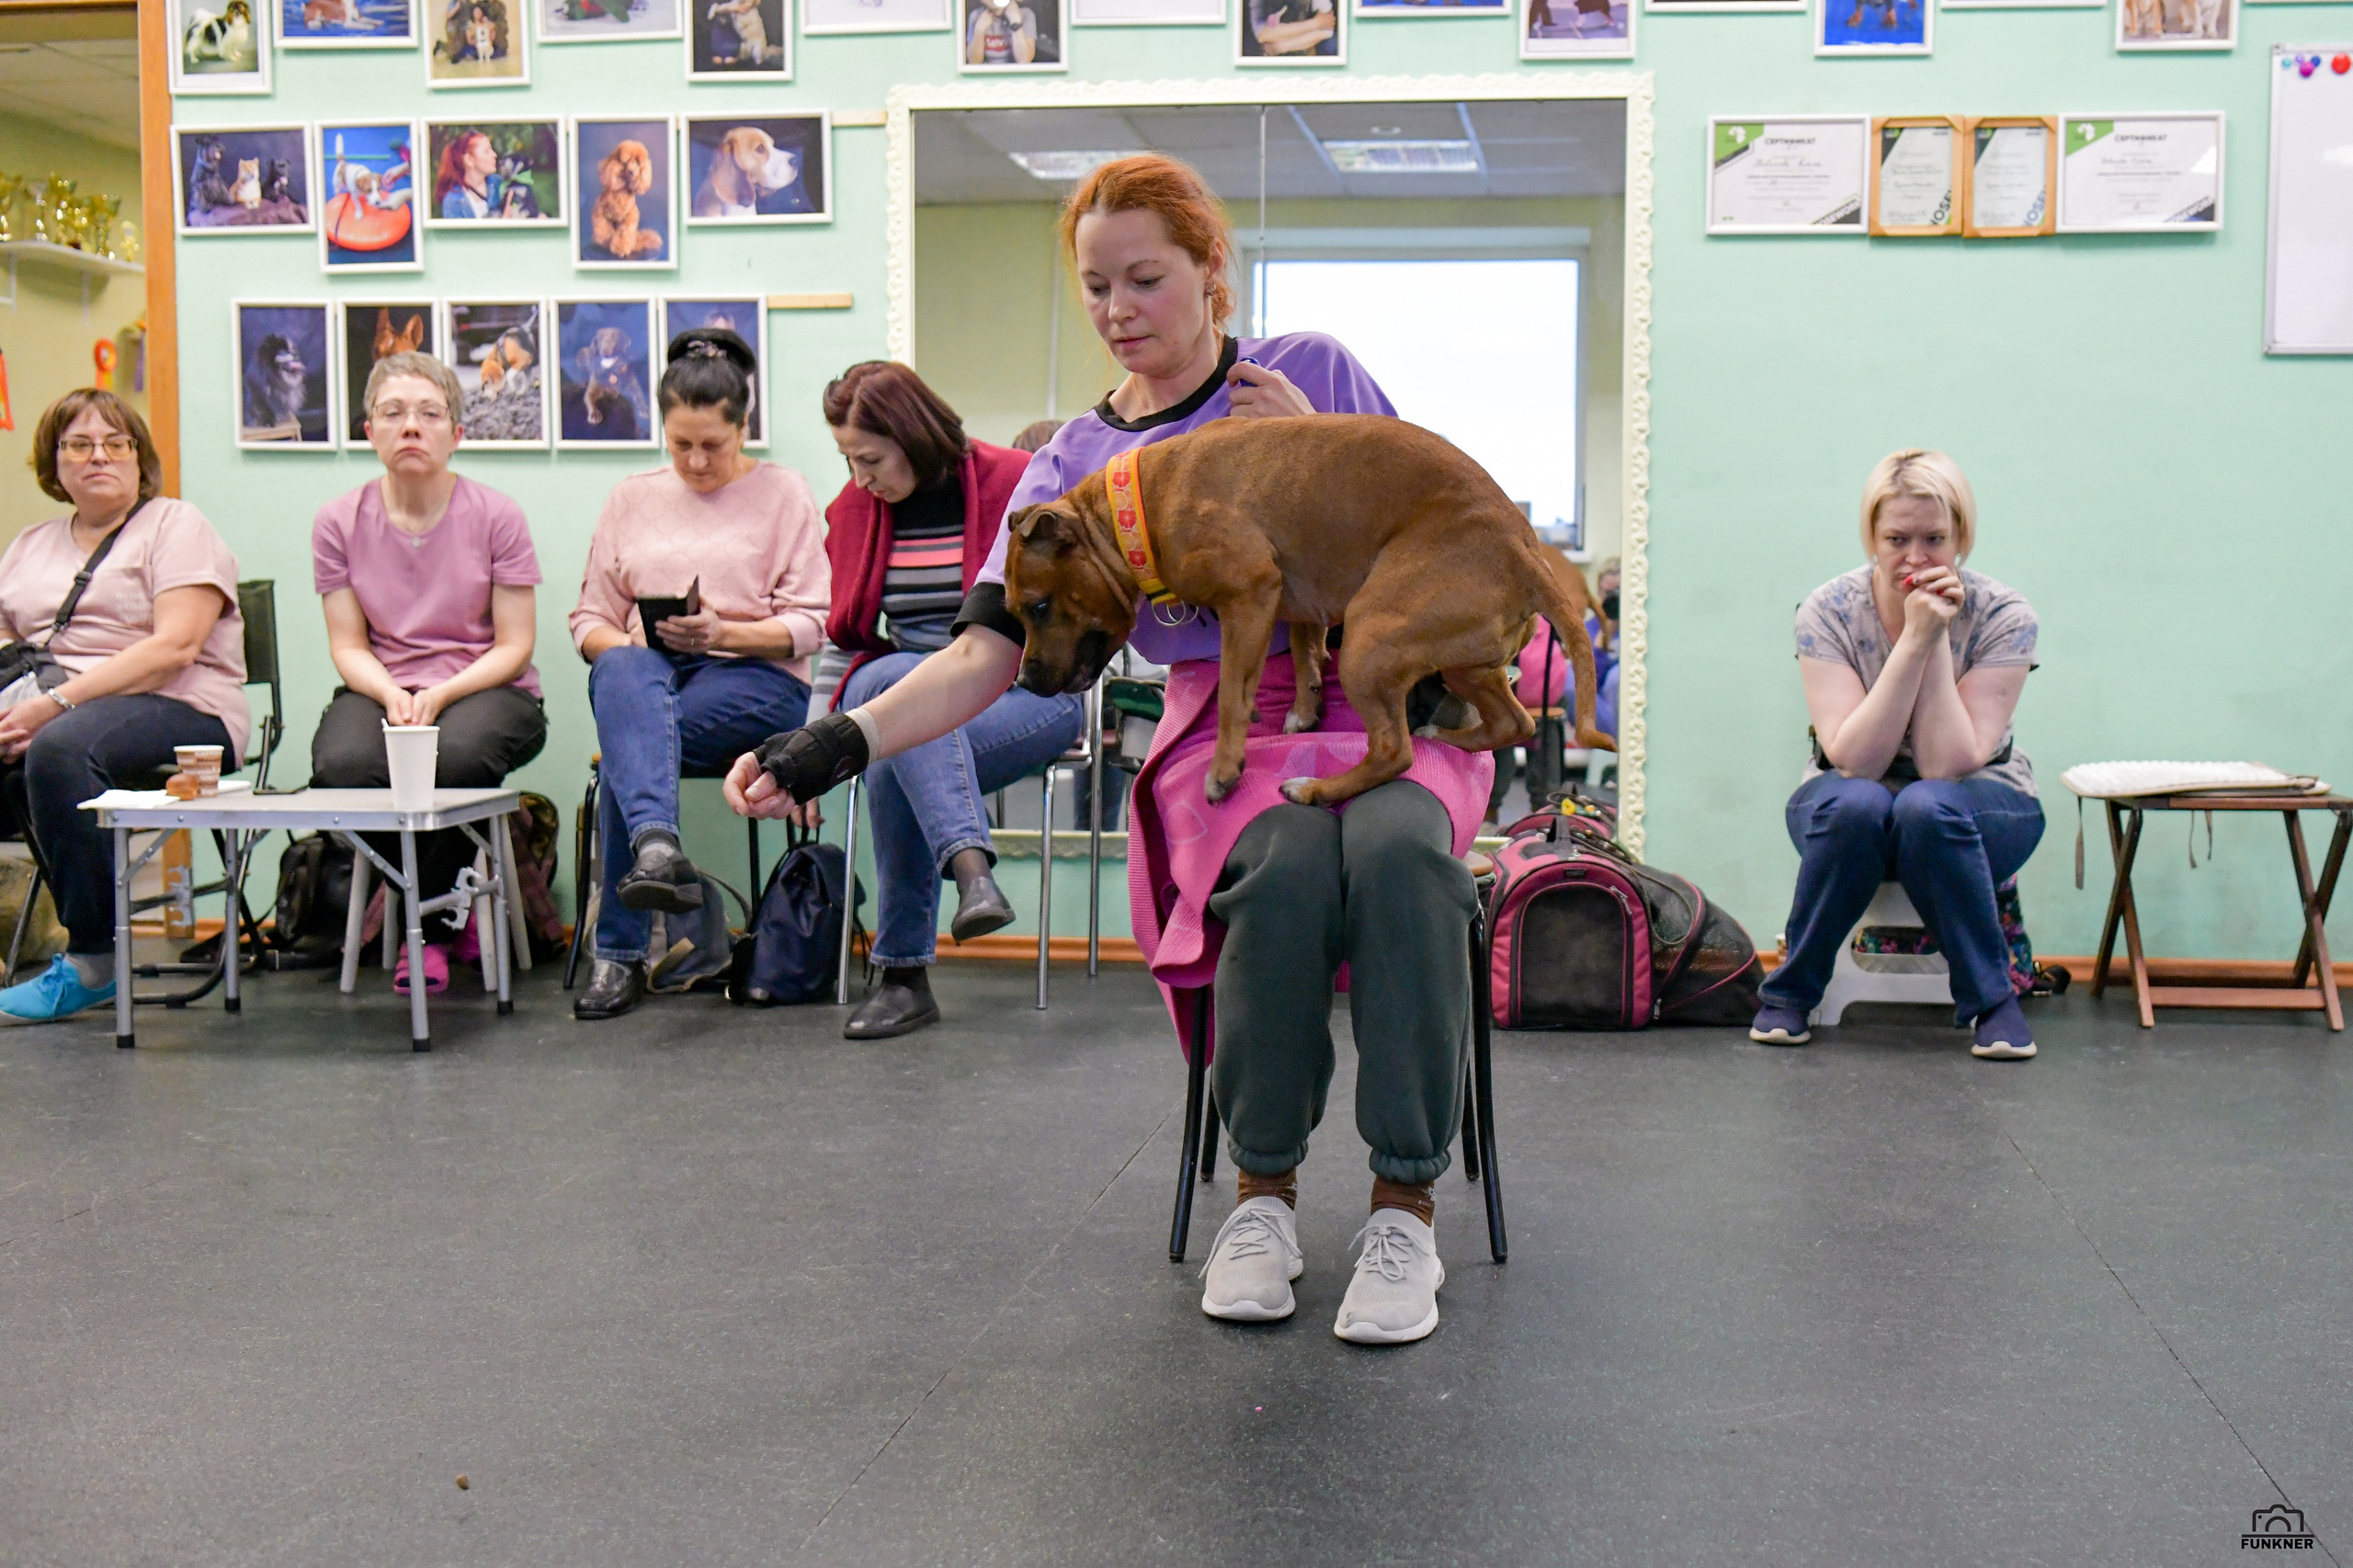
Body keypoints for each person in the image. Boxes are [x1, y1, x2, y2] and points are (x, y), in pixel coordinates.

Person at [730, 154, 1483, 1346]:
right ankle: (1264, 1198)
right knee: (1280, 870)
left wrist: (1322, 458)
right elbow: (981, 654)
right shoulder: (1074, 462)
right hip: (1226, 721)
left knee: (1399, 856)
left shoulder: (1314, 373)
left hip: (1389, 689)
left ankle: (1404, 1206)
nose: (1121, 309)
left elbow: (1441, 534)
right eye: (1097, 286)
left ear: (1209, 273)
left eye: (1146, 278)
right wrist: (840, 737)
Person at [806, 363, 1083, 1040]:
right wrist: (810, 749)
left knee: (893, 720)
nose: (860, 476)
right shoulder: (852, 513)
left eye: (870, 458)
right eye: (847, 459)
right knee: (890, 695)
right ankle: (971, 875)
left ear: (914, 435)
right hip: (918, 697)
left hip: (1030, 693)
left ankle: (903, 975)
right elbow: (845, 644)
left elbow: (1078, 603)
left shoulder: (1020, 480)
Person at [570, 327, 830, 1022]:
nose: (694, 459)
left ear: (743, 426)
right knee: (625, 666)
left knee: (636, 743)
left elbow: (811, 623)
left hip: (757, 679)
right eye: (679, 442)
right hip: (655, 678)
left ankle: (620, 953)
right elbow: (587, 620)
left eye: (712, 444)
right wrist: (626, 639)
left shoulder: (784, 493)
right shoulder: (631, 497)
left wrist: (725, 633)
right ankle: (661, 853)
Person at [1751, 449, 2042, 1060]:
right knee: (1859, 802)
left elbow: (1946, 765)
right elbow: (1855, 760)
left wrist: (1932, 636)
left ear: (1961, 535)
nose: (1916, 557)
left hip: (1980, 800)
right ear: (1871, 537)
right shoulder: (1827, 610)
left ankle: (1993, 1002)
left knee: (1927, 804)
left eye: (1935, 538)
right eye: (1897, 539)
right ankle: (1790, 993)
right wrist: (1913, 638)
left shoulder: (2006, 615)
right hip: (1850, 797)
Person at [0, 391, 249, 1023]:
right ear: (53, 465)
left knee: (61, 748)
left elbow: (176, 646)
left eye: (116, 444)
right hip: (52, 710)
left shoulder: (176, 525)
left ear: (140, 458)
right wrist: (21, 696)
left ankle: (93, 960)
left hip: (178, 707)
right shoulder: (30, 544)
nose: (98, 457)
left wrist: (52, 704)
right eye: (78, 445)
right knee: (46, 749)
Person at [308, 350, 546, 996]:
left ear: (457, 434)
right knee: (341, 767)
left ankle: (432, 931)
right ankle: (449, 902)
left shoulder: (497, 515)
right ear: (369, 432)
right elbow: (348, 645)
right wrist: (390, 692)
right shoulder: (337, 522)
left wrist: (439, 694)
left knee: (455, 756)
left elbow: (515, 645)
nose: (411, 426)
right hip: (384, 684)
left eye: (429, 414)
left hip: (487, 688)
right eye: (393, 413)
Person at [435, 131, 500, 221]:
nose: (494, 155)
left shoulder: (498, 183)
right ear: (469, 159)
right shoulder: (453, 201)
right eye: (486, 151)